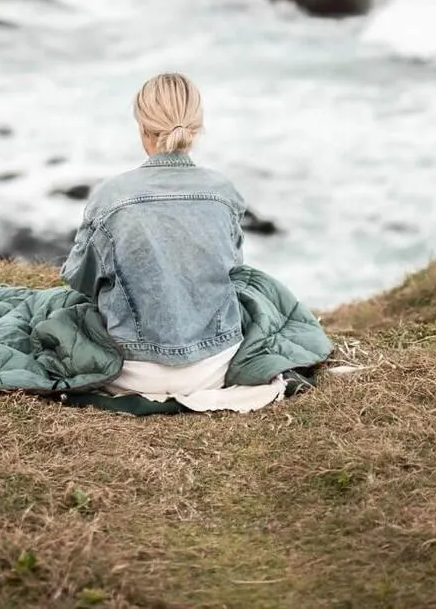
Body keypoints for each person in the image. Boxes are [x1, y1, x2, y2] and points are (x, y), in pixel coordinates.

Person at [61, 73, 285, 412]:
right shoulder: (223, 192)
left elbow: (80, 280)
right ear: (197, 127)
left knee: (61, 315)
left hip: (128, 372)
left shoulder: (111, 196)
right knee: (260, 292)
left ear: (142, 128)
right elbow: (233, 269)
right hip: (214, 367)